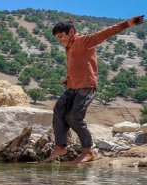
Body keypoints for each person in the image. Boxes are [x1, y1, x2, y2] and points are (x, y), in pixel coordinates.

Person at [45, 15, 145, 164]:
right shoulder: (69, 46)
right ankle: (60, 146)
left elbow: (105, 33)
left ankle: (88, 151)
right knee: (59, 110)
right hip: (72, 86)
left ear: (71, 31)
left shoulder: (83, 41)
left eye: (61, 36)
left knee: (74, 117)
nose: (59, 40)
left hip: (86, 86)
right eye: (57, 38)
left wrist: (127, 23)